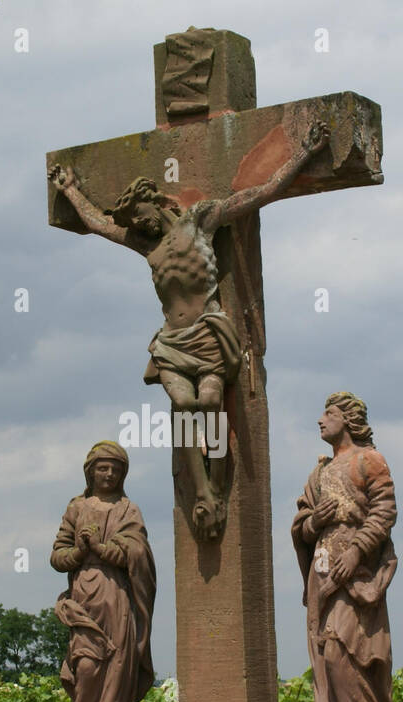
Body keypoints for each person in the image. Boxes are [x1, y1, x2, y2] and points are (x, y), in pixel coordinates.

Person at [48, 120, 329, 540]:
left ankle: (217, 486)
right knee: (183, 407)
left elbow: (259, 193)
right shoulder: (147, 245)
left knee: (212, 400)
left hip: (208, 334)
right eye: (131, 221)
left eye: (138, 215)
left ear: (153, 201)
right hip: (172, 342)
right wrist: (69, 189)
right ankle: (201, 492)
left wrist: (303, 154)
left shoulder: (199, 221)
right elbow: (97, 224)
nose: (136, 224)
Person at [291, 392, 403, 702]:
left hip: (356, 574)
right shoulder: (319, 472)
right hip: (321, 571)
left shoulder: (367, 460)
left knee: (343, 646)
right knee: (323, 653)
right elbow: (302, 526)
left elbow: (384, 511)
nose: (321, 420)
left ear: (349, 419)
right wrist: (315, 522)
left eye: (329, 413)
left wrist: (356, 551)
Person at [49, 441, 156, 702]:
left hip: (117, 597)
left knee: (116, 669)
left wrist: (102, 546)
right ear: (90, 471)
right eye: (102, 467)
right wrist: (80, 553)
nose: (108, 474)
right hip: (84, 596)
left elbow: (137, 553)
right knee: (86, 666)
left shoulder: (128, 510)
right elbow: (57, 556)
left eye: (115, 469)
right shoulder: (76, 508)